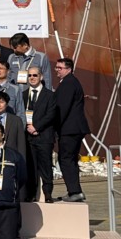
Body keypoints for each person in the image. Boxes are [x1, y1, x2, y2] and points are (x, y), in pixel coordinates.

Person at [54, 57, 90, 202]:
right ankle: (74, 191)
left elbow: (62, 108)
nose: (57, 70)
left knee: (66, 159)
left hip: (70, 129)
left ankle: (75, 191)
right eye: (56, 67)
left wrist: (53, 127)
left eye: (60, 68)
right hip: (73, 128)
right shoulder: (70, 82)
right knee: (70, 159)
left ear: (68, 69)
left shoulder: (69, 83)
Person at [22, 66, 57, 202]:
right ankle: (31, 193)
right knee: (30, 166)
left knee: (46, 166)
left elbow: (51, 114)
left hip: (44, 136)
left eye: (35, 75)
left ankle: (47, 193)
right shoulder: (23, 95)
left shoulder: (50, 95)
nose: (32, 78)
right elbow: (20, 113)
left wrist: (36, 127)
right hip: (28, 137)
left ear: (41, 77)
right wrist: (28, 127)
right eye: (29, 75)